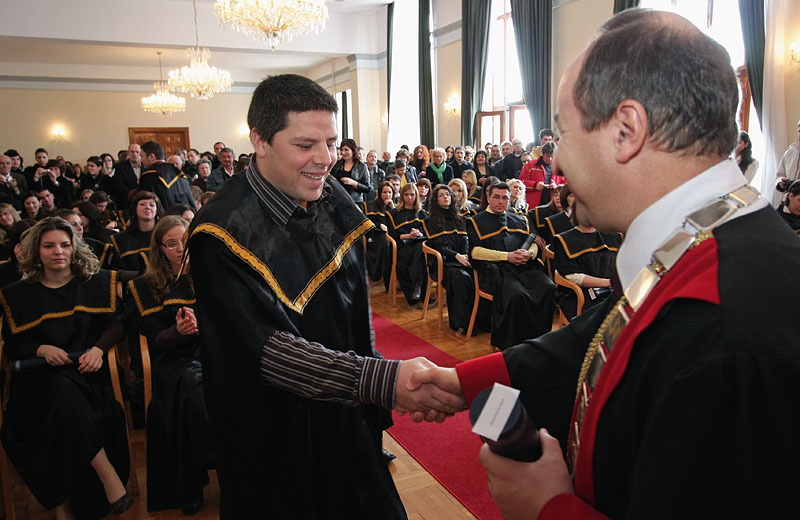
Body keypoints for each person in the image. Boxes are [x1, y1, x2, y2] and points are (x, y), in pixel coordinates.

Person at [410, 9, 800, 519]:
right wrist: (465, 382)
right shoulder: (706, 237)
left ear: (626, 130)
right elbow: (603, 334)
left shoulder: (727, 330)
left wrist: (547, 507)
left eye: (562, 134)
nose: (554, 161)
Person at [184, 74, 464, 518]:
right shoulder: (220, 234)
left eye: (331, 143)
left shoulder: (329, 193)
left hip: (346, 407)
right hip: (276, 433)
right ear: (260, 140)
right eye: (305, 145)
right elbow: (266, 350)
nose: (326, 159)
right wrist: (382, 380)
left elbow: (352, 305)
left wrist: (377, 385)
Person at [0, 217, 132, 519]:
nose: (58, 251)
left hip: (87, 377)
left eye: (64, 244)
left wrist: (99, 349)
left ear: (74, 248)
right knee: (59, 395)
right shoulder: (19, 294)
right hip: (36, 385)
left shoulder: (94, 283)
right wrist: (41, 349)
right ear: (37, 251)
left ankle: (64, 509)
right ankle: (107, 475)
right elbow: (14, 343)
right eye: (49, 246)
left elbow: (116, 324)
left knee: (65, 395)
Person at [126, 216, 210, 514]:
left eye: (184, 241)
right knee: (192, 387)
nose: (179, 249)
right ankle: (192, 480)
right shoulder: (146, 286)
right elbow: (154, 340)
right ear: (160, 248)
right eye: (171, 243)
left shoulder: (209, 274)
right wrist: (179, 332)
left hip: (212, 351)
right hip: (173, 359)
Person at [466, 182, 555, 350]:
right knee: (517, 294)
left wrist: (530, 253)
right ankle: (512, 346)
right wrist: (507, 257)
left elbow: (532, 242)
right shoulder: (475, 221)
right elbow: (475, 252)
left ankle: (539, 340)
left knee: (548, 287)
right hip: (496, 270)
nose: (501, 201)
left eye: (505, 198)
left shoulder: (519, 219)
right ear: (488, 197)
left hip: (524, 266)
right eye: (496, 197)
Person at [551, 199, 622, 319]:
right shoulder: (565, 240)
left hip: (613, 289)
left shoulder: (613, 236)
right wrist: (608, 283)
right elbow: (573, 276)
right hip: (580, 294)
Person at [422, 184, 474, 333]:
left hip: (461, 258)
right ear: (435, 200)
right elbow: (439, 246)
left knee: (479, 273)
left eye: (447, 194)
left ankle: (477, 319)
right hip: (443, 262)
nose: (445, 197)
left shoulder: (460, 218)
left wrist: (465, 255)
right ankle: (462, 322)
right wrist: (457, 256)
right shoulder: (430, 221)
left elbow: (464, 240)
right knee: (461, 278)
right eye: (441, 195)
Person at [387, 183, 429, 305]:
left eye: (412, 194)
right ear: (402, 196)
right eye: (406, 195)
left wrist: (419, 234)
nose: (409, 198)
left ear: (416, 196)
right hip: (402, 245)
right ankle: (417, 286)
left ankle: (418, 288)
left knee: (421, 250)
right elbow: (392, 235)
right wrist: (408, 236)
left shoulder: (423, 213)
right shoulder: (393, 213)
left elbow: (428, 234)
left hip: (419, 243)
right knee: (416, 254)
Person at [111, 191, 162, 273]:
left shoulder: (164, 235)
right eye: (142, 204)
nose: (147, 207)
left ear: (157, 210)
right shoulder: (121, 239)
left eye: (152, 205)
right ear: (135, 209)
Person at [139, 141, 196, 210]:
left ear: (151, 156)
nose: (141, 160)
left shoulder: (149, 177)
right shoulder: (180, 175)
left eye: (142, 156)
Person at [362, 181, 395, 285]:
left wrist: (393, 208)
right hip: (375, 234)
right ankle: (381, 275)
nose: (387, 195)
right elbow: (366, 224)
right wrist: (379, 225)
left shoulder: (394, 206)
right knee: (385, 243)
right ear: (380, 193)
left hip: (391, 235)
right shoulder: (370, 205)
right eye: (384, 192)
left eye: (390, 192)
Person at [330, 138, 372, 203]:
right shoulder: (336, 165)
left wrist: (353, 183)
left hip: (355, 201)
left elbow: (367, 188)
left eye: (346, 150)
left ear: (353, 150)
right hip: (338, 201)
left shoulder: (362, 167)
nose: (343, 152)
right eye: (342, 150)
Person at [774, 119, 799, 205]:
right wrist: (781, 183)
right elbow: (780, 175)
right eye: (798, 126)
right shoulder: (790, 152)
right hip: (787, 204)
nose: (798, 130)